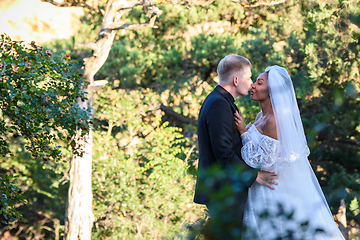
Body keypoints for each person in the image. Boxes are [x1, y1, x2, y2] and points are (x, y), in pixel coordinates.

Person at [234, 65, 345, 239]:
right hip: (260, 188)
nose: (253, 86)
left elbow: (265, 161)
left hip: (271, 189)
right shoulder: (260, 117)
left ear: (272, 92)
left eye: (259, 83)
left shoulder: (274, 120)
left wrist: (243, 132)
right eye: (255, 81)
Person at [193, 55, 278, 239]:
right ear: (236, 80)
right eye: (249, 78)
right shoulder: (218, 104)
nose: (251, 84)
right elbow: (224, 153)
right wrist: (254, 174)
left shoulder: (222, 102)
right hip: (223, 191)